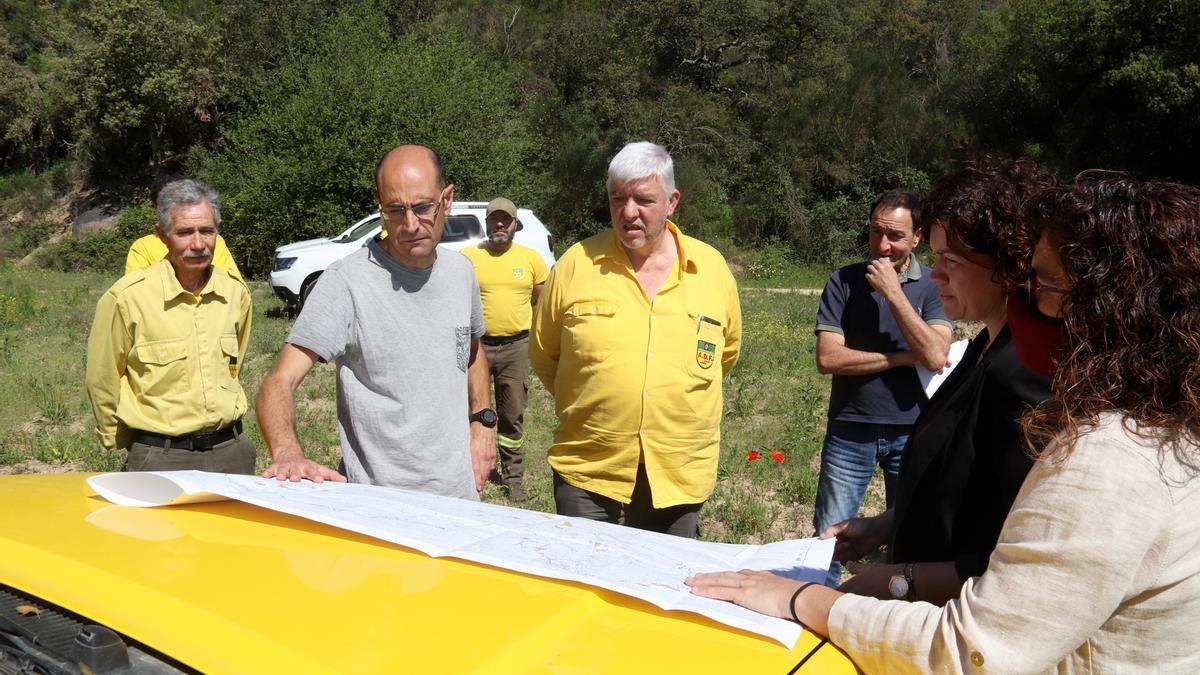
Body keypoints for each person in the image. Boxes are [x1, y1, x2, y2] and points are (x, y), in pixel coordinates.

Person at [688, 173, 1200, 672]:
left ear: (1113, 308)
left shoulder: (1106, 457)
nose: (1027, 294)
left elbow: (974, 646)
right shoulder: (1139, 417)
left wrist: (816, 595)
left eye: (1042, 282)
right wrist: (891, 525)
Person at [822, 158, 1055, 605]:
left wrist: (900, 580)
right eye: (936, 257)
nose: (936, 274)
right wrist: (887, 525)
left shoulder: (1024, 372)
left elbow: (1017, 558)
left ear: (1008, 264)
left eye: (951, 260)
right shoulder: (984, 349)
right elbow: (963, 493)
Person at [257, 145, 496, 499]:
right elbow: (277, 381)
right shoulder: (347, 282)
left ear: (447, 199)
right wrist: (288, 453)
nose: (411, 224)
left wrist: (482, 420)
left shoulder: (460, 272)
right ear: (379, 205)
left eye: (423, 207)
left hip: (460, 498)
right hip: (378, 504)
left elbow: (472, 350)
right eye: (395, 210)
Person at [529, 141, 741, 538]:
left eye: (643, 200)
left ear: (672, 201)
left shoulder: (711, 270)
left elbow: (724, 355)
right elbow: (545, 355)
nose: (628, 213)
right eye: (617, 199)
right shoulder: (576, 265)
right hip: (589, 473)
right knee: (585, 591)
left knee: (663, 593)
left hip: (677, 474)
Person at [812, 190, 952, 584]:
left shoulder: (933, 284)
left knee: (909, 534)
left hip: (913, 432)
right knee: (830, 538)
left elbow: (936, 353)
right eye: (876, 233)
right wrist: (903, 358)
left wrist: (893, 293)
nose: (883, 245)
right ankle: (813, 608)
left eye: (894, 236)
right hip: (850, 429)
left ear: (917, 238)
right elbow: (828, 359)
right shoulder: (844, 281)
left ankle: (893, 614)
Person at [85, 179, 255, 473]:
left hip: (233, 453)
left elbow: (235, 361)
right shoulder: (127, 298)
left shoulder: (235, 292)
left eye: (207, 231)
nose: (199, 244)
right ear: (161, 235)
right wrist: (132, 445)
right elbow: (103, 379)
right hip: (161, 458)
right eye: (185, 233)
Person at [461, 197, 550, 502]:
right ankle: (469, 471)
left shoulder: (531, 258)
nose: (500, 225)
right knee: (473, 412)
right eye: (494, 220)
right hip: (478, 349)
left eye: (506, 220)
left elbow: (540, 299)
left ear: (514, 224)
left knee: (512, 414)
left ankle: (513, 478)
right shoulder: (468, 257)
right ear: (486, 223)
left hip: (516, 347)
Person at [125, 175, 242, 277]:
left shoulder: (215, 242)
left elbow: (232, 288)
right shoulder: (142, 247)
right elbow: (135, 293)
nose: (198, 245)